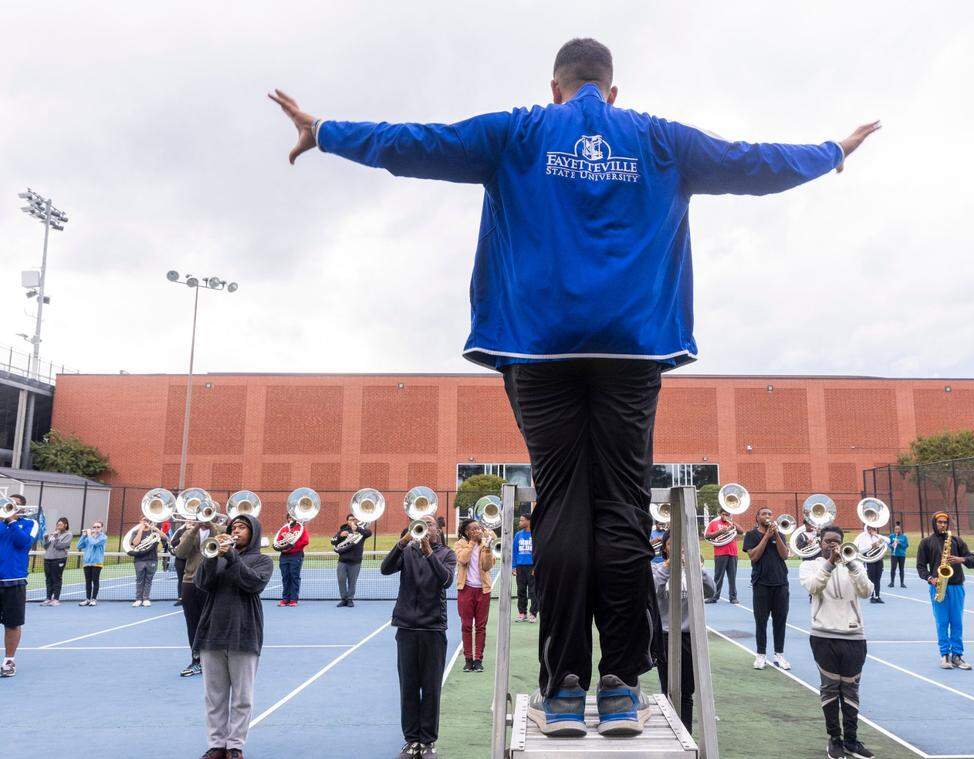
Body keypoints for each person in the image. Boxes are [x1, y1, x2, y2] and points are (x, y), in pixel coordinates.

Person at [270, 36, 877, 738]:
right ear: (611, 91)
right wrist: (831, 151)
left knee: (559, 506)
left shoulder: (519, 129)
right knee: (621, 506)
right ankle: (620, 683)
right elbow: (753, 162)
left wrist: (326, 133)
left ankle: (562, 686)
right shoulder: (658, 138)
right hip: (632, 347)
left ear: (555, 86)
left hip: (537, 346)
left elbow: (421, 143)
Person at [193, 514, 273, 759]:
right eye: (233, 526)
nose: (236, 530)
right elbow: (202, 583)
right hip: (213, 631)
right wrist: (210, 558)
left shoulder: (262, 560)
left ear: (253, 532)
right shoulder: (215, 556)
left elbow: (252, 583)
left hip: (244, 631)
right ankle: (217, 744)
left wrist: (231, 557)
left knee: (242, 696)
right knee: (214, 696)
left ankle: (235, 745)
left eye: (242, 527)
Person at [382, 520, 456, 759]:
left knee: (431, 688)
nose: (427, 527)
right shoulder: (407, 551)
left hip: (433, 629)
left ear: (438, 530)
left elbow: (445, 580)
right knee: (409, 687)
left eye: (431, 524)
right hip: (406, 628)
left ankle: (428, 741)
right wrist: (402, 543)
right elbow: (385, 568)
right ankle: (411, 740)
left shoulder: (447, 554)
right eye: (422, 523)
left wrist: (429, 554)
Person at [800, 525, 875, 759]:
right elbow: (814, 587)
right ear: (820, 542)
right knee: (830, 689)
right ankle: (835, 739)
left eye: (836, 541)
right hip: (823, 635)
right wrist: (830, 564)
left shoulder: (855, 564)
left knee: (851, 689)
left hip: (854, 636)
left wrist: (851, 564)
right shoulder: (809, 565)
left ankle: (852, 740)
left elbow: (867, 591)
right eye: (828, 541)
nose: (832, 545)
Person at [651, 531, 715, 733]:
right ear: (665, 548)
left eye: (683, 544)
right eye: (672, 544)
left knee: (686, 692)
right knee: (668, 690)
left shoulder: (695, 570)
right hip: (665, 637)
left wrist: (696, 567)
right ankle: (669, 733)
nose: (678, 548)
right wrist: (668, 567)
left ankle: (685, 733)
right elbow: (653, 592)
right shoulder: (657, 569)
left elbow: (711, 590)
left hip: (689, 637)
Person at [915, 512, 974, 670]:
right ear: (934, 523)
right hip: (938, 586)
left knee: (957, 622)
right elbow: (921, 567)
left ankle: (958, 655)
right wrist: (930, 578)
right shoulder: (926, 542)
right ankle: (945, 655)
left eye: (945, 522)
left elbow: (973, 561)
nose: (943, 525)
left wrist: (960, 559)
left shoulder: (957, 541)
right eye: (940, 522)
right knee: (942, 622)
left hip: (956, 586)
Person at [173, 516, 224, 677]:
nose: (204, 517)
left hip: (211, 582)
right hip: (190, 582)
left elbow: (224, 550)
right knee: (192, 623)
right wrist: (195, 529)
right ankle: (196, 660)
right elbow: (180, 553)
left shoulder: (221, 530)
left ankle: (214, 660)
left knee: (213, 623)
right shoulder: (189, 532)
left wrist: (213, 528)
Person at [742, 508, 791, 670]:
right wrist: (766, 537)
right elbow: (754, 556)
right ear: (757, 517)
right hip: (761, 584)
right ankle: (761, 655)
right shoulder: (751, 535)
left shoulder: (780, 534)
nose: (768, 516)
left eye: (770, 514)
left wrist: (776, 535)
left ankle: (779, 654)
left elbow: (784, 555)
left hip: (781, 583)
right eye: (764, 514)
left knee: (780, 621)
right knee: (761, 621)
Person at [1, 494, 39, 678]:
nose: (9, 506)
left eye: (14, 504)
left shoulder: (30, 524)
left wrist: (11, 521)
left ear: (22, 507)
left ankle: (9, 661)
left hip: (14, 581)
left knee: (12, 623)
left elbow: (24, 543)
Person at [455, 518, 495, 672]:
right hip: (466, 589)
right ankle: (468, 659)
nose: (477, 531)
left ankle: (478, 659)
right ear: (467, 532)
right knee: (466, 625)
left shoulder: (486, 545)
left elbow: (487, 566)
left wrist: (486, 547)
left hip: (483, 590)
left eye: (478, 528)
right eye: (473, 529)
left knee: (480, 626)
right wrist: (472, 543)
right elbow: (463, 560)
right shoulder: (460, 544)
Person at [331, 513, 372, 607]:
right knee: (341, 580)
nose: (352, 521)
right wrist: (340, 536)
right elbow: (332, 541)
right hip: (343, 560)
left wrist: (357, 529)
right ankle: (343, 599)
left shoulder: (361, 531)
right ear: (347, 521)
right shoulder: (342, 530)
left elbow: (369, 533)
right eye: (350, 519)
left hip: (355, 561)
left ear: (357, 521)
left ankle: (350, 599)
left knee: (352, 582)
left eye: (354, 519)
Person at [128, 517, 171, 607]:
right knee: (139, 580)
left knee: (148, 580)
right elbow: (135, 543)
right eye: (143, 520)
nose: (145, 522)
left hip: (152, 559)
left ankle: (146, 598)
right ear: (140, 521)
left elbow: (165, 538)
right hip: (139, 559)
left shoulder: (154, 532)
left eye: (147, 520)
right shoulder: (135, 532)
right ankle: (138, 599)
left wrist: (155, 529)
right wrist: (140, 529)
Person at [704, 506, 741, 604]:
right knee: (718, 577)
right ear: (720, 514)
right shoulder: (714, 523)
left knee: (732, 577)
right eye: (723, 514)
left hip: (733, 553)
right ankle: (714, 597)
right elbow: (707, 536)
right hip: (720, 553)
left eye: (727, 514)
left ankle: (733, 597)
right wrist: (720, 531)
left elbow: (741, 531)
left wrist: (733, 523)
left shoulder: (731, 523)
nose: (725, 516)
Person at [272, 516, 309, 607]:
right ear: (287, 519)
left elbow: (305, 541)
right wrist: (282, 548)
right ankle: (285, 599)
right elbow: (277, 542)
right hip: (284, 556)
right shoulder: (284, 529)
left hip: (296, 555)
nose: (291, 519)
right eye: (289, 518)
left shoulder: (300, 528)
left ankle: (293, 599)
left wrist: (291, 546)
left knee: (294, 577)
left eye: (293, 517)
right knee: (285, 577)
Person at [41, 517, 73, 606]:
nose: (58, 526)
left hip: (59, 559)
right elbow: (45, 547)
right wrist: (46, 538)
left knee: (56, 578)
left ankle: (56, 599)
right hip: (48, 558)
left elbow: (59, 546)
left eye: (60, 524)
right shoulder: (54, 534)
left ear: (65, 525)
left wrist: (56, 537)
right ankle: (48, 598)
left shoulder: (68, 535)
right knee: (48, 579)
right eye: (57, 524)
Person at [513, 514, 537, 622]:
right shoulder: (518, 535)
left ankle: (533, 614)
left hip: (532, 567)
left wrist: (536, 567)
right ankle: (522, 613)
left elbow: (539, 552)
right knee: (521, 591)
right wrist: (514, 566)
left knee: (533, 592)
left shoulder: (536, 534)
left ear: (528, 521)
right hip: (520, 567)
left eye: (522, 520)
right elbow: (514, 551)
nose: (520, 522)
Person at [76, 521, 107, 606]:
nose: (96, 528)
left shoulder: (103, 537)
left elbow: (94, 543)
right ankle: (87, 599)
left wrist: (89, 535)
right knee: (88, 581)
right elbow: (78, 546)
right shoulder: (88, 537)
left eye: (98, 527)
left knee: (95, 581)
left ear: (101, 528)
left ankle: (94, 599)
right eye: (94, 527)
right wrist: (83, 536)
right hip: (87, 563)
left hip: (97, 563)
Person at [854, 525, 885, 603]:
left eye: (874, 528)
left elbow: (888, 540)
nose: (872, 529)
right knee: (871, 579)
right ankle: (872, 596)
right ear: (867, 528)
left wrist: (876, 535)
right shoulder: (862, 537)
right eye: (870, 528)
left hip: (879, 559)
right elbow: (860, 550)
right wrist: (871, 546)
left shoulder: (876, 536)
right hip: (869, 560)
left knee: (878, 579)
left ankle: (877, 596)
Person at [171, 521, 194, 605]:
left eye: (191, 519)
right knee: (181, 579)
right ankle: (180, 598)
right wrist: (183, 536)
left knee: (194, 578)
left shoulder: (198, 530)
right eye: (188, 520)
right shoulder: (180, 531)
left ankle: (192, 597)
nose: (190, 521)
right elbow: (173, 543)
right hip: (180, 559)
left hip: (192, 558)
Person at [886, 522, 908, 588]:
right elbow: (888, 544)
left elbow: (905, 546)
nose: (897, 530)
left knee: (901, 569)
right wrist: (891, 545)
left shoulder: (904, 537)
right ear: (894, 530)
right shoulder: (891, 536)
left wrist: (899, 543)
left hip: (901, 555)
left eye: (898, 529)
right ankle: (892, 582)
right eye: (896, 529)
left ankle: (902, 583)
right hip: (894, 554)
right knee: (893, 568)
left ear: (900, 529)